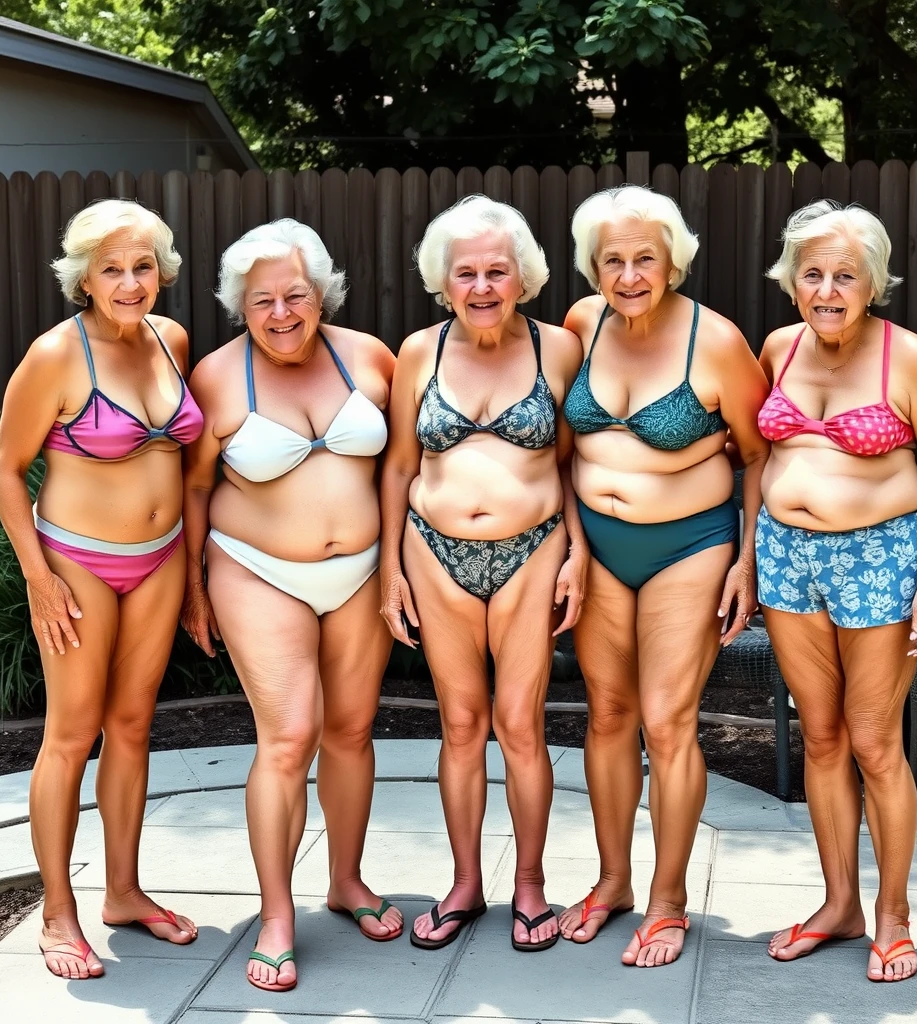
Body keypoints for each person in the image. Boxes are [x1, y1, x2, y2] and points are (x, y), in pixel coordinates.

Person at [181, 218, 398, 993]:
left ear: (321, 294)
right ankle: (276, 914)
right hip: (257, 569)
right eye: (263, 299)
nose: (281, 312)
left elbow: (402, 469)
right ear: (241, 304)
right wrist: (194, 585)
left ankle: (346, 880)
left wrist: (404, 565)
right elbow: (197, 485)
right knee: (289, 735)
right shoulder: (214, 374)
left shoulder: (369, 356)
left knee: (349, 730)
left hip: (364, 573)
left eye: (296, 294)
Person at [556, 186, 769, 968]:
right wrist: (576, 541)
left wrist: (745, 560)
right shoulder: (583, 325)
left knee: (667, 719)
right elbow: (563, 448)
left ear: (674, 260)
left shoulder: (715, 342)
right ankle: (613, 882)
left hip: (691, 546)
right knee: (607, 716)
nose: (629, 273)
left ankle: (669, 901)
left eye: (645, 257)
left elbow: (758, 454)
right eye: (612, 259)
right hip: (600, 547)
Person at [0, 199, 201, 979]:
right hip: (78, 560)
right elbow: (5, 470)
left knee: (135, 726)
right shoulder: (55, 354)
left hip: (162, 555)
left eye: (142, 265)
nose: (130, 281)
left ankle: (123, 892)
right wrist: (38, 579)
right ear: (83, 276)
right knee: (71, 735)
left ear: (163, 269)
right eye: (111, 268)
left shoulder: (171, 340)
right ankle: (56, 911)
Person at [756, 200, 917, 982]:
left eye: (845, 274)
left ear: (873, 281)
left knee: (876, 741)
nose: (827, 288)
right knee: (822, 738)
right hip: (785, 558)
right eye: (812, 273)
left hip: (880, 558)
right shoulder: (778, 347)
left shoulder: (907, 356)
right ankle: (839, 902)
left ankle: (893, 913)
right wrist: (749, 555)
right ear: (791, 280)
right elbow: (756, 459)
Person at [380, 196, 586, 953]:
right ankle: (466, 882)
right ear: (444, 281)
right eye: (465, 272)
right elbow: (401, 465)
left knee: (520, 726)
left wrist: (579, 553)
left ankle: (529, 885)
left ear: (523, 276)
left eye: (497, 270)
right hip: (433, 550)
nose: (482, 285)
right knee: (460, 724)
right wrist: (389, 571)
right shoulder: (418, 352)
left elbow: (577, 467)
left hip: (532, 550)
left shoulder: (558, 350)